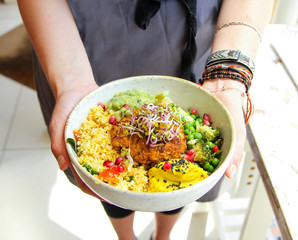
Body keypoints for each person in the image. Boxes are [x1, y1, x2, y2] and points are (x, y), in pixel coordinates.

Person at [17, 0, 274, 239]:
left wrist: (226, 76)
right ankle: (126, 236)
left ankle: (163, 235)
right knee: (111, 188)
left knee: (179, 182)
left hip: (198, 35)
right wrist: (70, 80)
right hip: (84, 39)